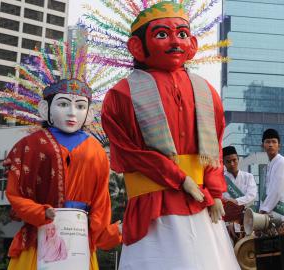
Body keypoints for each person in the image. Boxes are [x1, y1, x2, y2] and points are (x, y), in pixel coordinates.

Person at [100, 2, 239, 269]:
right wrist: (179, 178)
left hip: (202, 205)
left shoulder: (206, 91)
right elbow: (130, 154)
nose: (175, 41)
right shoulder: (121, 95)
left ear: (193, 43)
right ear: (137, 47)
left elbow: (214, 147)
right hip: (154, 210)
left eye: (182, 34)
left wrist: (216, 191)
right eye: (162, 34)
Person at [3, 42, 122, 269]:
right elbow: (15, 194)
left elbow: (100, 201)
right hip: (41, 233)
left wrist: (109, 232)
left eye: (79, 106)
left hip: (79, 234)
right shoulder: (30, 145)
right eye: (63, 104)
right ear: (44, 109)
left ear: (88, 114)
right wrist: (40, 212)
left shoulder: (95, 149)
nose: (71, 113)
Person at [259, 128, 284, 236]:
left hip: (281, 217)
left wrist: (263, 211)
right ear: (263, 145)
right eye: (268, 142)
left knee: (282, 251)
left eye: (274, 142)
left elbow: (276, 191)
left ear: (279, 146)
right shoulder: (269, 165)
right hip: (271, 216)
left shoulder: (282, 162)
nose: (271, 145)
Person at [222, 146, 257, 240]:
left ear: (238, 159)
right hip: (227, 221)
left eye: (234, 160)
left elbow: (252, 195)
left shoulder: (248, 176)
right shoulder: (220, 179)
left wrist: (235, 201)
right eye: (228, 161)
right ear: (223, 162)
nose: (232, 164)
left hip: (246, 218)